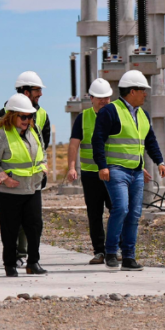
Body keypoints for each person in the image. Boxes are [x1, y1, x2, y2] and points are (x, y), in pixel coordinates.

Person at [92, 70, 165, 271]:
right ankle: (110, 252)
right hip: (115, 170)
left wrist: (159, 161)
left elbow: (149, 140)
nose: (146, 94)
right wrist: (102, 166)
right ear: (132, 91)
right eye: (143, 90)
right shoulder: (110, 111)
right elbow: (97, 140)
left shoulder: (143, 115)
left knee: (134, 214)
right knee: (121, 208)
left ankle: (128, 258)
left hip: (136, 171)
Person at [0, 94, 48, 277]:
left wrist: (43, 169)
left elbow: (42, 153)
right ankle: (10, 265)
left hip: (32, 188)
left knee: (35, 226)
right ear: (12, 116)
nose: (27, 120)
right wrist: (4, 179)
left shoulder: (34, 131)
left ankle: (33, 263)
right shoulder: (1, 135)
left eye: (30, 116)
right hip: (9, 191)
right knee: (10, 229)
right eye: (23, 116)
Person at [66, 78, 114, 264]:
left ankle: (113, 248)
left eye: (106, 97)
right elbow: (74, 144)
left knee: (116, 211)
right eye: (100, 97)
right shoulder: (83, 117)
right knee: (94, 213)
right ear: (91, 98)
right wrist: (71, 167)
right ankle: (99, 251)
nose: (103, 101)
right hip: (90, 174)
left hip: (112, 173)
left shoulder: (115, 114)